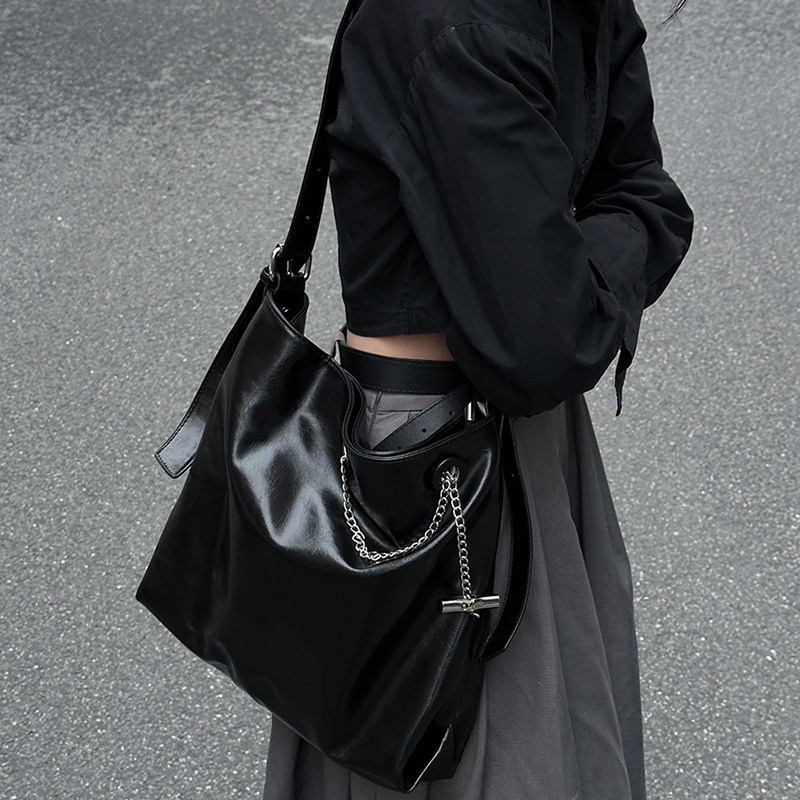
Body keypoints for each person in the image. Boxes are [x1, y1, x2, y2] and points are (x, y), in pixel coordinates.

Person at [263, 0, 693, 797]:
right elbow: (553, 330)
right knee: (505, 750)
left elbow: (639, 196)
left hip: (498, 441)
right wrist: (587, 258)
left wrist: (568, 272)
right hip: (426, 473)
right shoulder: (452, 25)